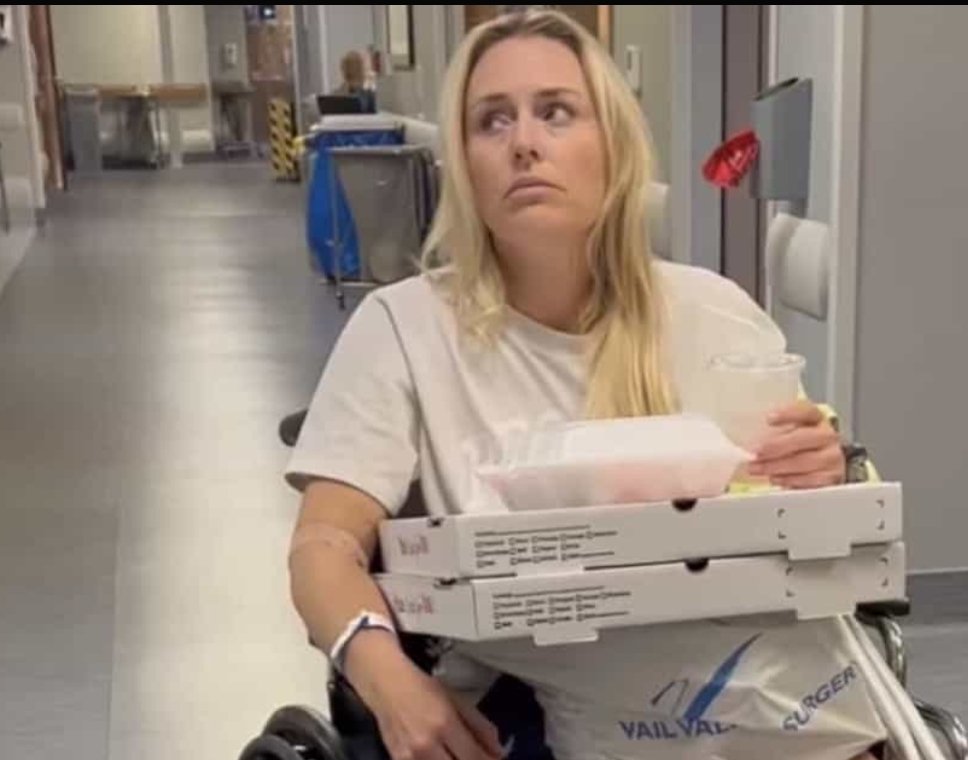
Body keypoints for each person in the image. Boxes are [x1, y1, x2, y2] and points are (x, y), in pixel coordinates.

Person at [287, 9, 884, 760]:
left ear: (615, 145)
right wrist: (390, 682)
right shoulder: (403, 329)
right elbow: (323, 544)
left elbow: (788, 526)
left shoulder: (716, 314)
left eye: (557, 112)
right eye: (492, 120)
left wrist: (817, 475)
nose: (524, 142)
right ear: (464, 163)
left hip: (741, 690)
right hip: (530, 703)